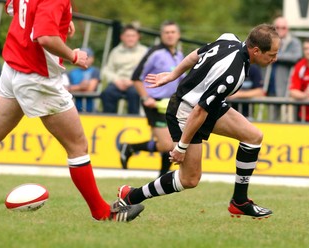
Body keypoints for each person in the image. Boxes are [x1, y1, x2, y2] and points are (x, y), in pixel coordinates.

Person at [0, 0, 144, 222]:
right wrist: (73, 56)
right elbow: (45, 38)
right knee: (78, 146)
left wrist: (61, 20)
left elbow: (15, 8)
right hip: (37, 76)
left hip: (13, 68)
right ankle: (103, 213)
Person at [116, 24, 280, 219]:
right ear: (256, 51)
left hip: (204, 106)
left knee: (253, 136)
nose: (274, 59)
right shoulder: (232, 75)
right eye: (272, 54)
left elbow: (196, 54)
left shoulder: (229, 38)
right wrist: (181, 147)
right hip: (186, 111)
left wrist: (172, 75)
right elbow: (199, 111)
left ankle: (240, 201)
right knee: (190, 179)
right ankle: (131, 195)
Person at [118, 20, 184, 177]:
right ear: (161, 35)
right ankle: (131, 148)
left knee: (171, 144)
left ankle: (161, 178)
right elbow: (136, 77)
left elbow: (182, 80)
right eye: (166, 32)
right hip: (154, 104)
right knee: (168, 144)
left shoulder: (179, 55)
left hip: (172, 104)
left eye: (173, 32)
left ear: (178, 35)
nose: (170, 35)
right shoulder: (155, 53)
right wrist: (146, 97)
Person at [100, 24, 148, 114]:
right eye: (128, 36)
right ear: (122, 37)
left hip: (136, 83)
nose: (130, 39)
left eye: (133, 36)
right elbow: (107, 70)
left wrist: (133, 81)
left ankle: (134, 123)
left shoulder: (144, 51)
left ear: (138, 37)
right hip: (118, 82)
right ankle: (109, 122)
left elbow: (147, 71)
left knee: (135, 94)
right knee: (107, 94)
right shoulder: (115, 51)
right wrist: (116, 80)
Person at [268, 16, 302, 120]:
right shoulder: (268, 41)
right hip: (270, 86)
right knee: (271, 120)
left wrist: (274, 55)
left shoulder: (294, 42)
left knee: (288, 119)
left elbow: (297, 56)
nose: (280, 30)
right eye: (277, 27)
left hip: (287, 88)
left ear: (288, 29)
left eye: (283, 27)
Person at [67, 47, 100, 112]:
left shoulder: (95, 71)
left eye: (87, 58)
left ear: (92, 59)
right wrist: (80, 87)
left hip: (91, 109)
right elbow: (65, 89)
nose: (85, 60)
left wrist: (74, 88)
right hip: (74, 108)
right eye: (82, 57)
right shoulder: (72, 72)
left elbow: (90, 89)